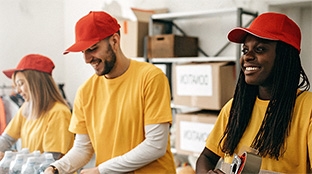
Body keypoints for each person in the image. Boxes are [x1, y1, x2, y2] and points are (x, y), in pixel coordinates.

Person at [44, 11, 176, 174]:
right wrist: (56, 168)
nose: (86, 59)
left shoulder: (150, 78)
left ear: (114, 40)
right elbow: (83, 149)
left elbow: (156, 146)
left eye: (92, 49)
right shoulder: (85, 92)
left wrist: (101, 170)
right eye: (82, 52)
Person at [195, 12, 312, 173]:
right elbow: (207, 157)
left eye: (260, 49)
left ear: (285, 57)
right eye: (245, 50)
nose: (247, 57)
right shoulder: (234, 108)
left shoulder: (307, 108)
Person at [0, 54, 74, 160]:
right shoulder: (26, 108)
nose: (17, 91)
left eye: (20, 84)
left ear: (36, 83)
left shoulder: (58, 112)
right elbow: (7, 139)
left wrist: (9, 157)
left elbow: (52, 157)